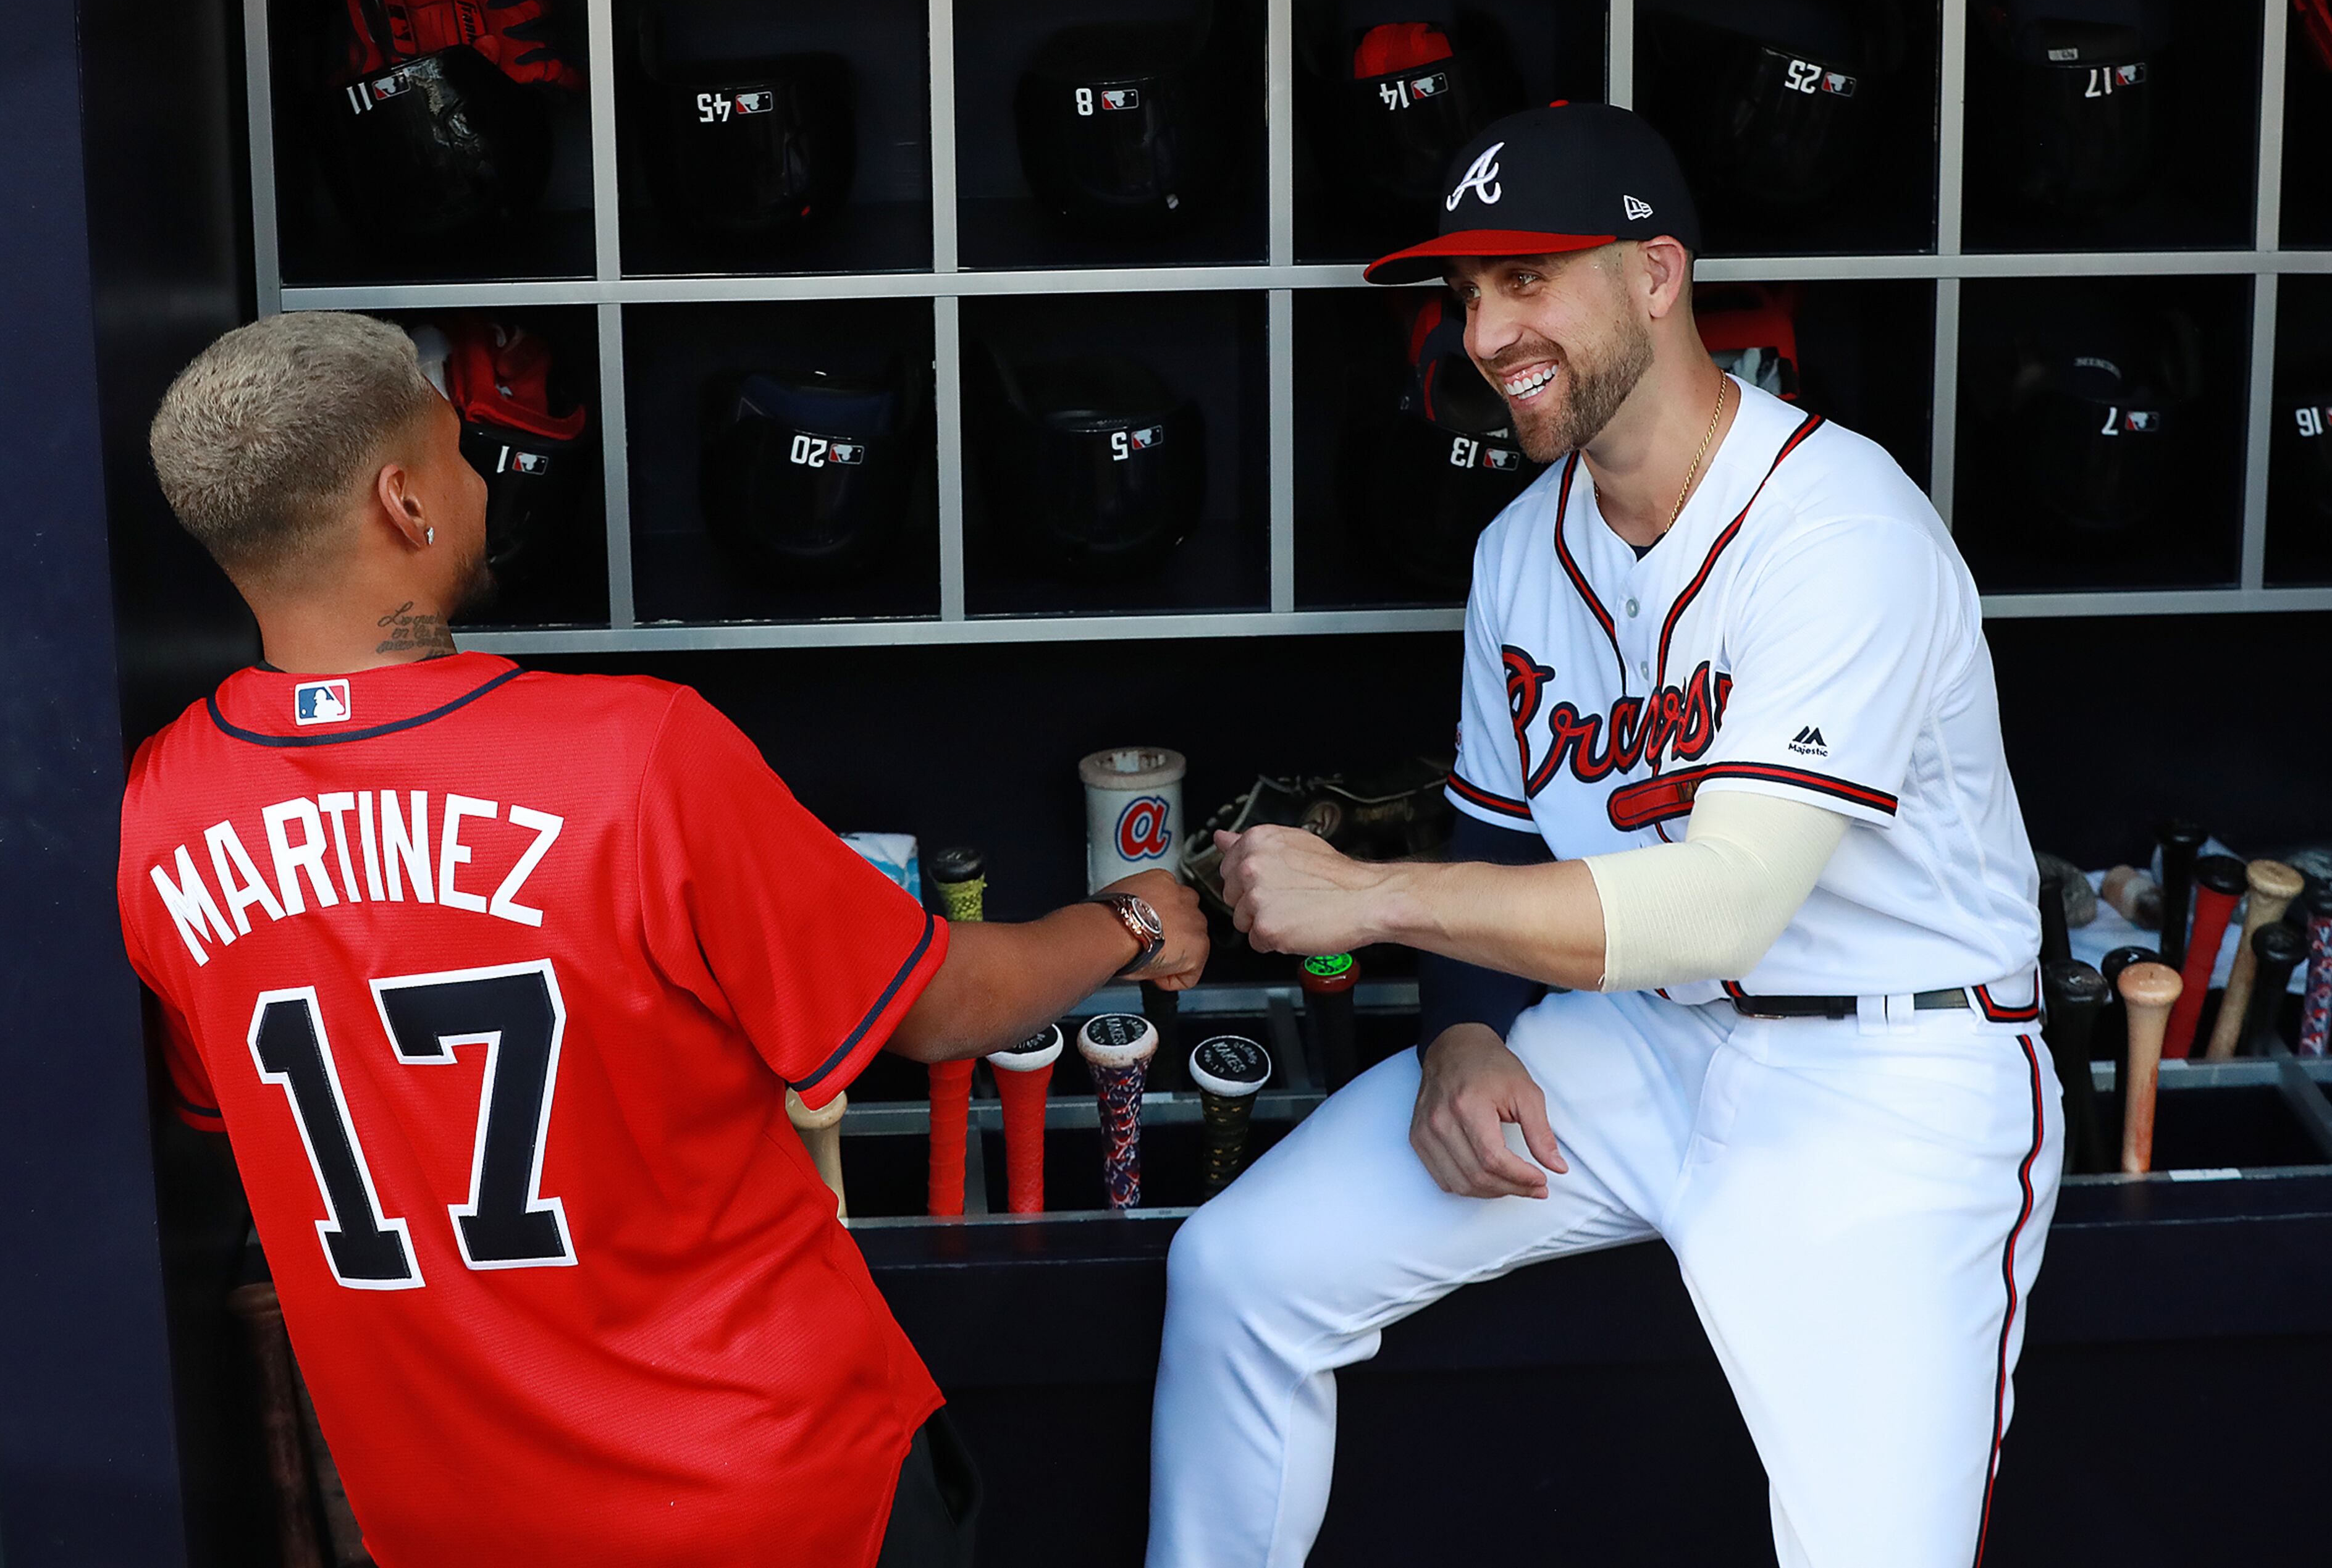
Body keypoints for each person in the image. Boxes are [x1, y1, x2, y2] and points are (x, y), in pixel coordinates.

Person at [119, 310, 1208, 1568]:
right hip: (770, 1495)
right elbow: (938, 1006)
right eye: (461, 453)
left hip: (455, 1527)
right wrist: (1127, 920)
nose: (481, 480)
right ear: (405, 504)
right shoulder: (633, 758)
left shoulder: (161, 812)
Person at [1147, 104, 2056, 1568]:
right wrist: (1461, 1039)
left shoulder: (1844, 529)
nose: (1485, 331)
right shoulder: (1521, 549)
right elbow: (1501, 835)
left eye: (1527, 278)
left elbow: (1726, 904)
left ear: (1656, 275)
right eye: (1466, 293)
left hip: (1896, 1073)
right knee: (1237, 1271)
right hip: (1639, 1044)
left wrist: (1370, 898)